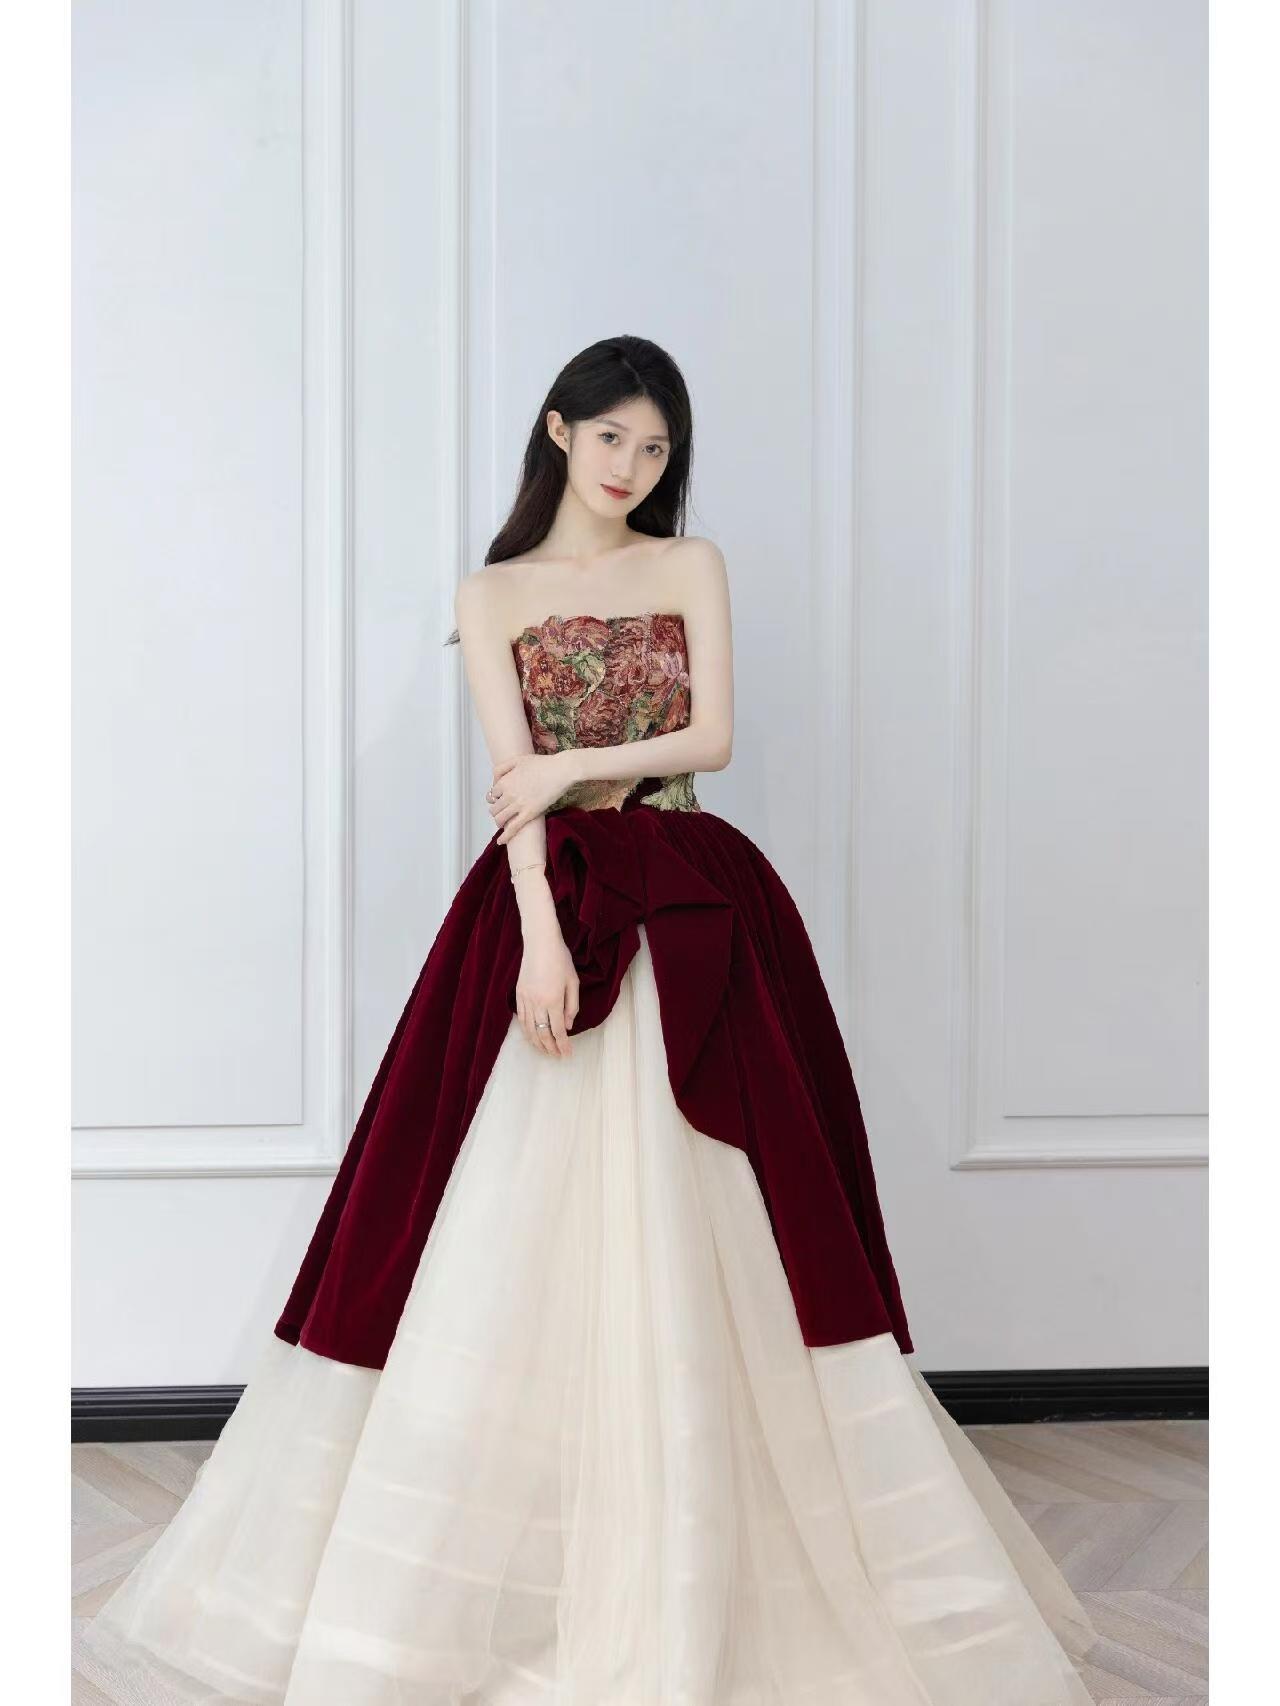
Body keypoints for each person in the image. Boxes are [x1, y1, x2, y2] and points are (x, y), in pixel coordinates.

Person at [80, 336, 1098, 1704]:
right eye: (612, 436)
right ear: (559, 430)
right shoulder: (492, 590)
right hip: (554, 898)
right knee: (497, 1224)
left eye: (656, 446)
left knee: (735, 1205)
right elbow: (513, 788)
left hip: (690, 886)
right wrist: (541, 941)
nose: (632, 466)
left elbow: (711, 738)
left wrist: (578, 766)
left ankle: (722, 1553)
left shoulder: (688, 564)